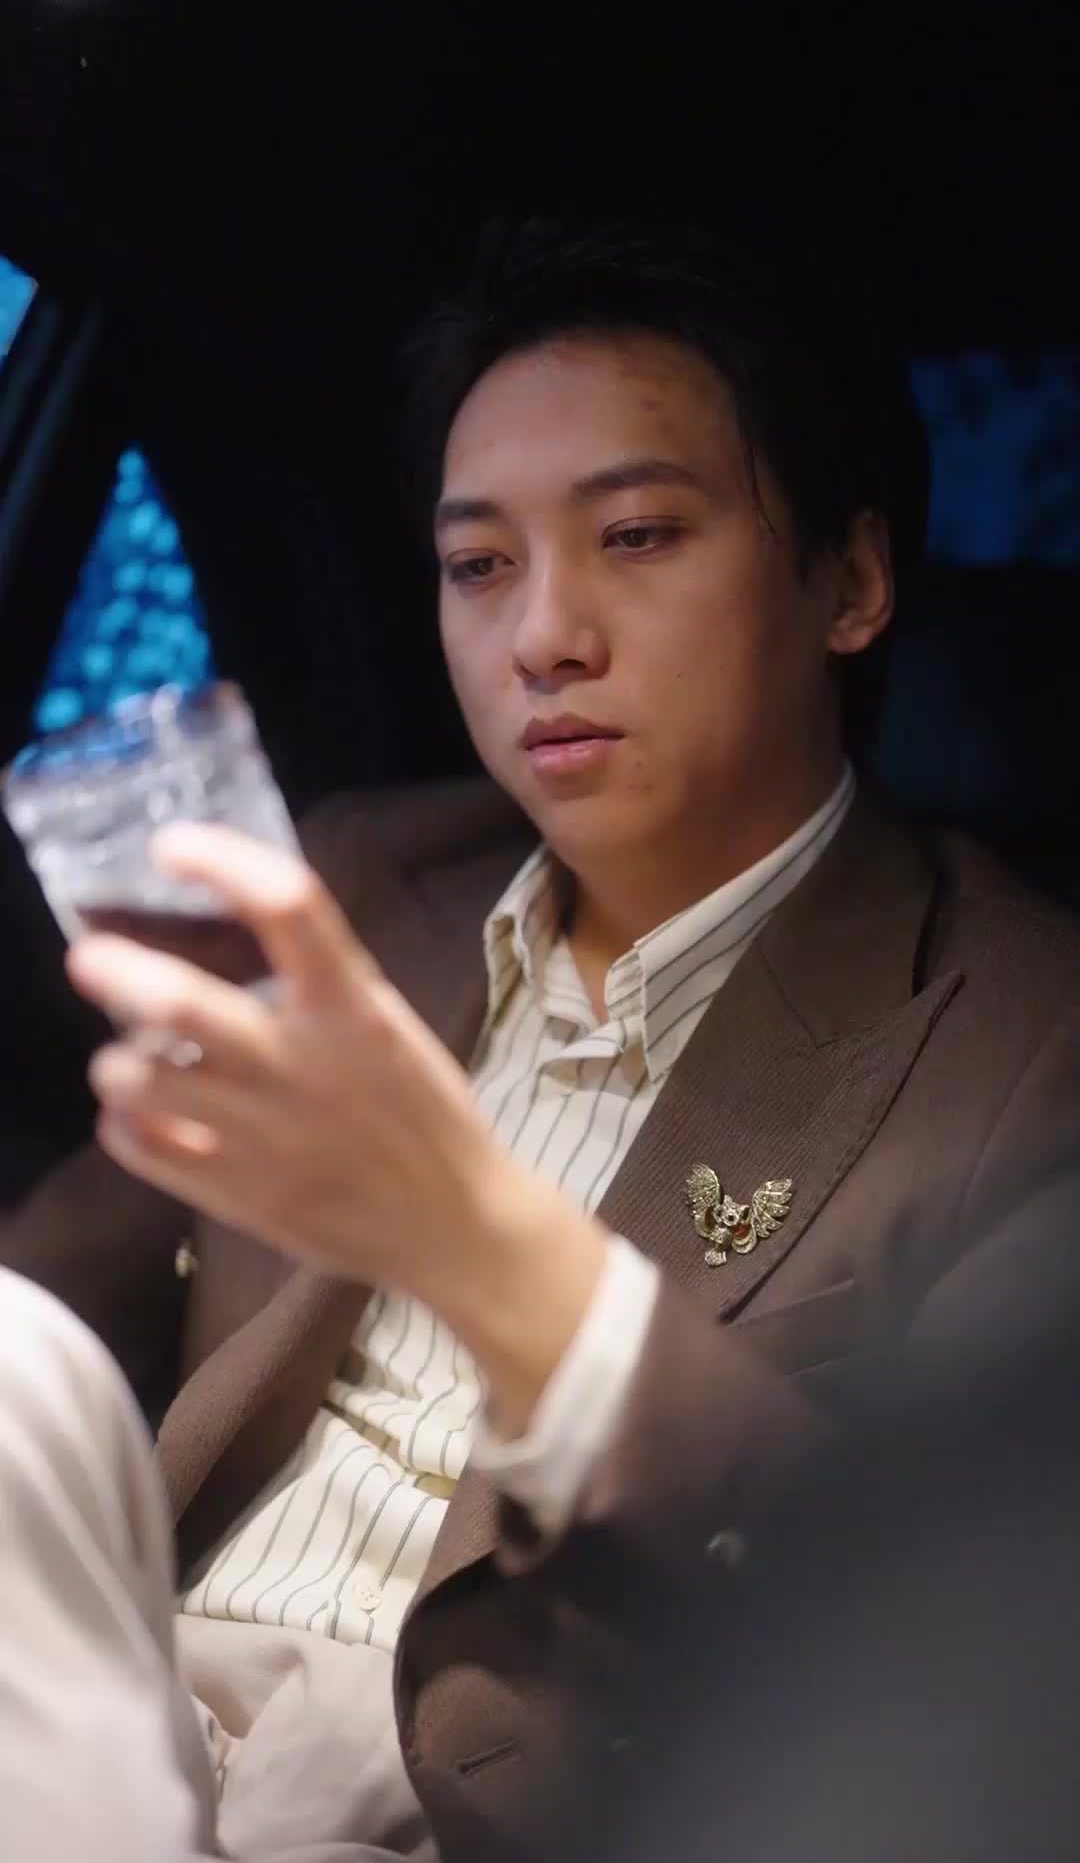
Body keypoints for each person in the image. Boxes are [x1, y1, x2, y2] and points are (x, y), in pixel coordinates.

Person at [3, 218, 1080, 1860]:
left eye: (636, 535)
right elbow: (51, 1285)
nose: (543, 638)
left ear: (851, 584)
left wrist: (479, 1242)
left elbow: (960, 1650)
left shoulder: (1022, 1043)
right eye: (479, 566)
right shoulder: (365, 880)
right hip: (114, 1698)